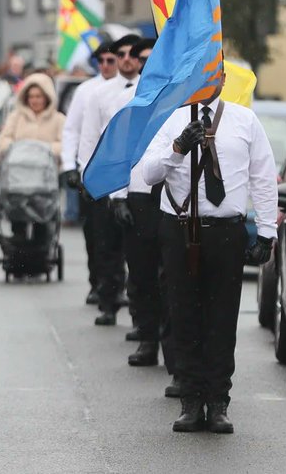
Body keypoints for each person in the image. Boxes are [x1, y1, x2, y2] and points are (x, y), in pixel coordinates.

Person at [140, 91, 278, 434]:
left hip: (226, 231)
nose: (208, 77)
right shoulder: (171, 118)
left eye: (214, 70)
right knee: (183, 314)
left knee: (222, 317)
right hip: (180, 229)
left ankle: (217, 402)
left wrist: (266, 232)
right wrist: (178, 148)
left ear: (223, 77)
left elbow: (262, 176)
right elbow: (149, 173)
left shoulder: (244, 120)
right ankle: (190, 400)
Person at [97, 40, 173, 372]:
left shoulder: (180, 97)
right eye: (142, 59)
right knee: (141, 273)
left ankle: (174, 347)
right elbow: (117, 151)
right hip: (139, 196)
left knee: (171, 276)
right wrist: (118, 197)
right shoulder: (128, 101)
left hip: (175, 199)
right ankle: (147, 337)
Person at [77, 34, 141, 326]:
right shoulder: (99, 94)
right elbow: (89, 137)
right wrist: (86, 176)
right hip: (106, 178)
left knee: (138, 251)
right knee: (106, 245)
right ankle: (108, 302)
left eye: (132, 55)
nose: (126, 60)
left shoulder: (149, 90)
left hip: (139, 179)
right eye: (121, 55)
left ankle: (140, 313)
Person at [60, 41, 120, 304]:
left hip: (120, 170)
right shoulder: (86, 91)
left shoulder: (131, 89)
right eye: (101, 61)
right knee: (95, 232)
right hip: (93, 170)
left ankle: (116, 284)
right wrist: (69, 166)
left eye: (110, 60)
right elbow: (72, 129)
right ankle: (98, 281)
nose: (105, 66)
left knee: (118, 233)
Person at [0, 72, 65, 263]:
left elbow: (64, 143)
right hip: (18, 178)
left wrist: (46, 149)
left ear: (47, 97)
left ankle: (40, 253)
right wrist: (15, 148)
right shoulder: (16, 117)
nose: (35, 100)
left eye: (39, 96)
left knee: (43, 217)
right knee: (17, 214)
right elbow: (4, 139)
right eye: (31, 96)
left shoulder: (58, 119)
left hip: (45, 180)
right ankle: (17, 252)